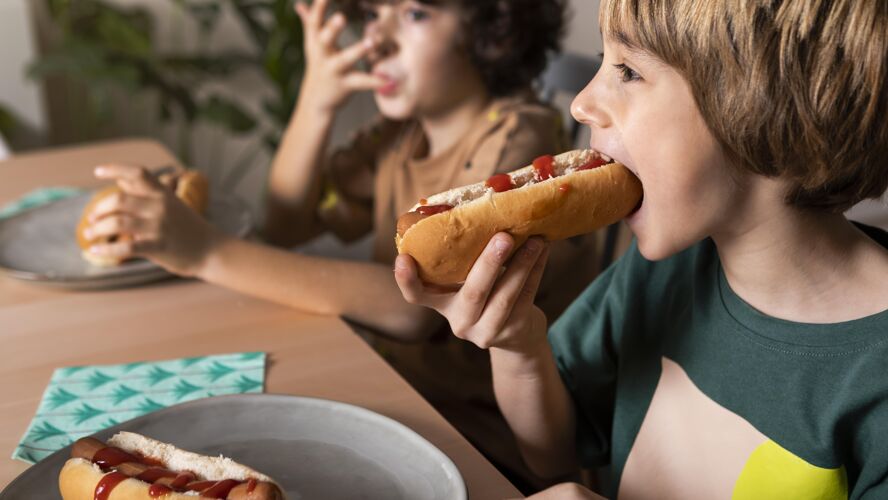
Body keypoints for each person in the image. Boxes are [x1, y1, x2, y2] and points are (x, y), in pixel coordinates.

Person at [81, 0, 588, 491]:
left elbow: (413, 308)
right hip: (403, 398)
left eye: (414, 12)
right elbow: (286, 224)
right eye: (371, 13)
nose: (375, 39)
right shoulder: (399, 134)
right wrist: (315, 101)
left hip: (489, 446)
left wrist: (206, 253)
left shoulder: (520, 135)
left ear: (494, 27)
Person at [394, 0, 888, 498]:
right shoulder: (666, 270)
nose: (581, 102)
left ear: (774, 109)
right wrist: (518, 345)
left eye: (628, 71)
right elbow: (554, 451)